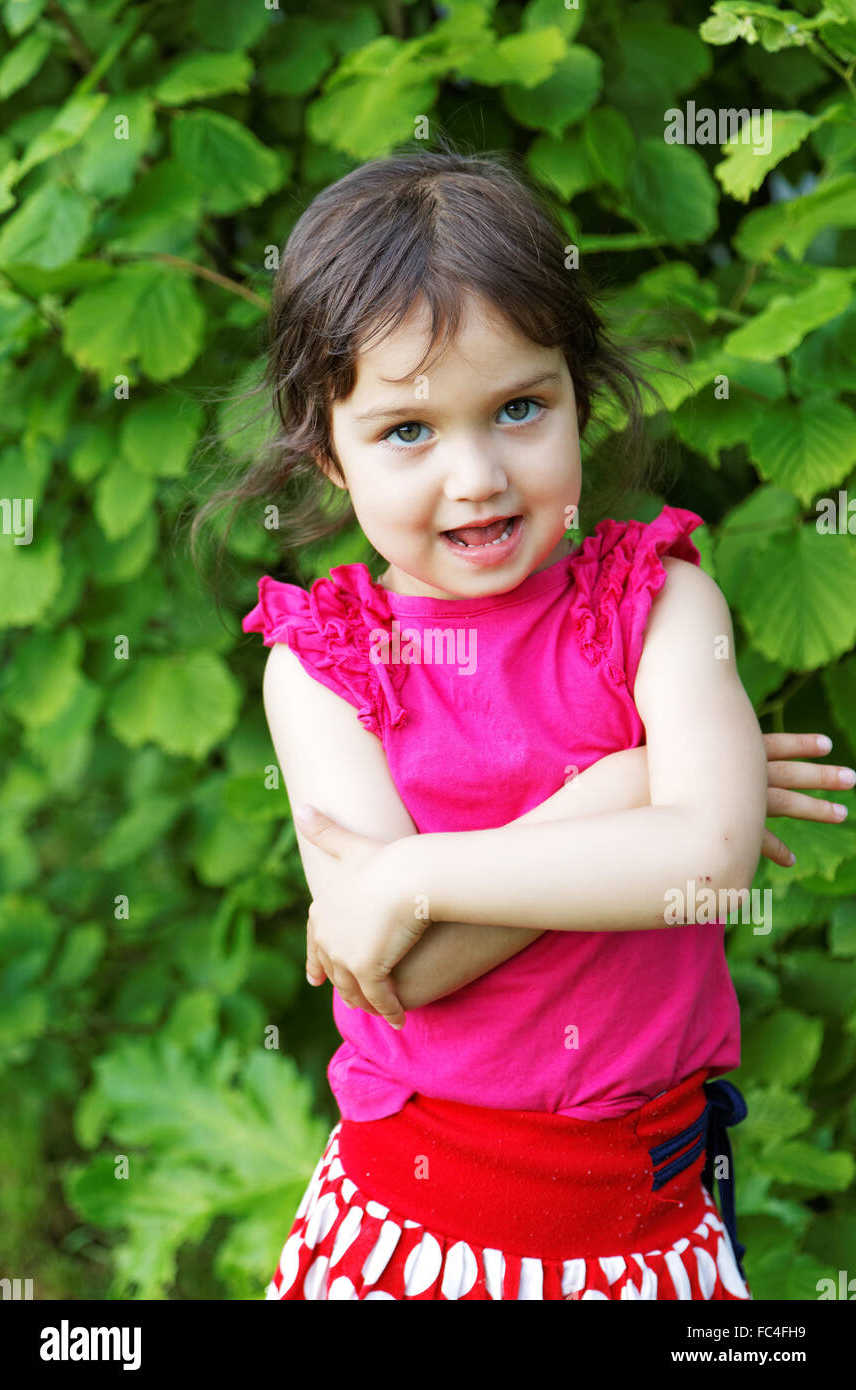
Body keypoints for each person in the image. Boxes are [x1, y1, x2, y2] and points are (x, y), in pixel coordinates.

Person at [228, 149, 853, 1300]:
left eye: (519, 407)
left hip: (643, 1229)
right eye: (406, 430)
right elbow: (395, 972)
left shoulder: (660, 603)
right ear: (327, 450)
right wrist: (624, 792)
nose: (475, 476)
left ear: (579, 392)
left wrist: (409, 874)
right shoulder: (321, 666)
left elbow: (705, 868)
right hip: (410, 1225)